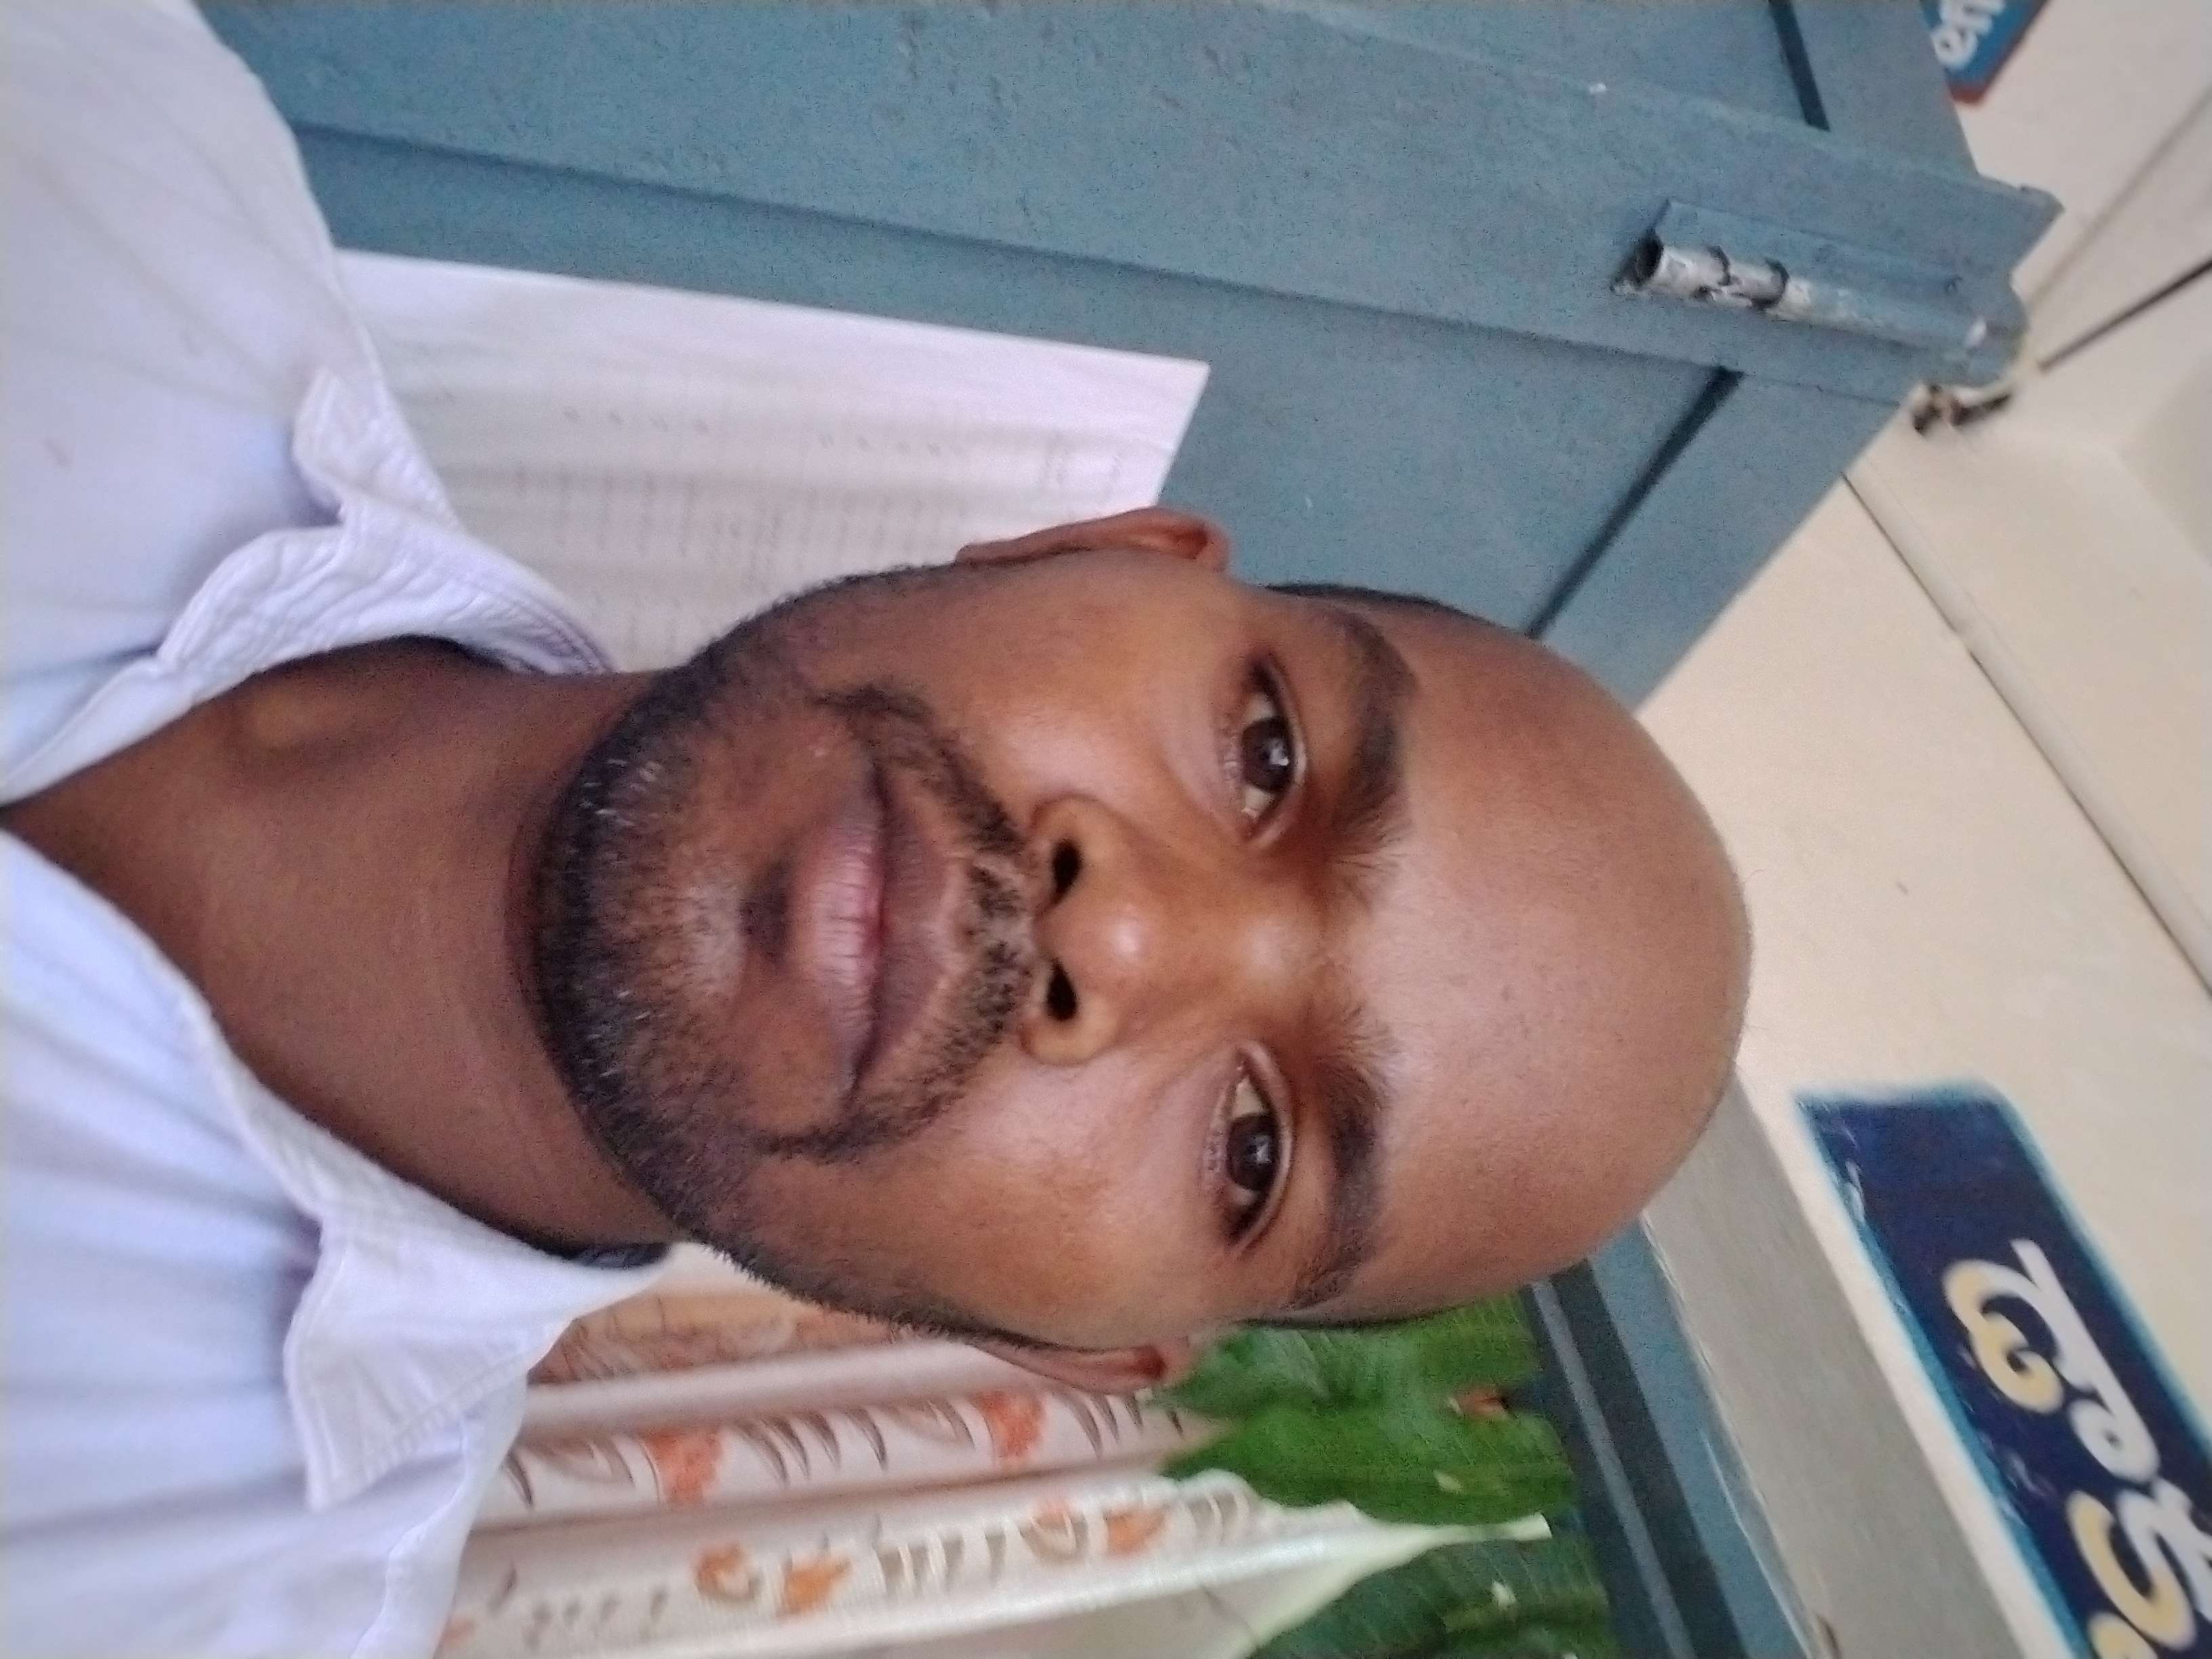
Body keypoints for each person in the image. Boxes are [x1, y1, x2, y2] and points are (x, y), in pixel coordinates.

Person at [0, 3, 1747, 1654]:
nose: (1116, 932)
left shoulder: (177, 1604)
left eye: (1250, 1152)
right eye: (1268, 754)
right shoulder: (94, 137)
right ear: (1101, 550)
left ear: (1072, 1350)